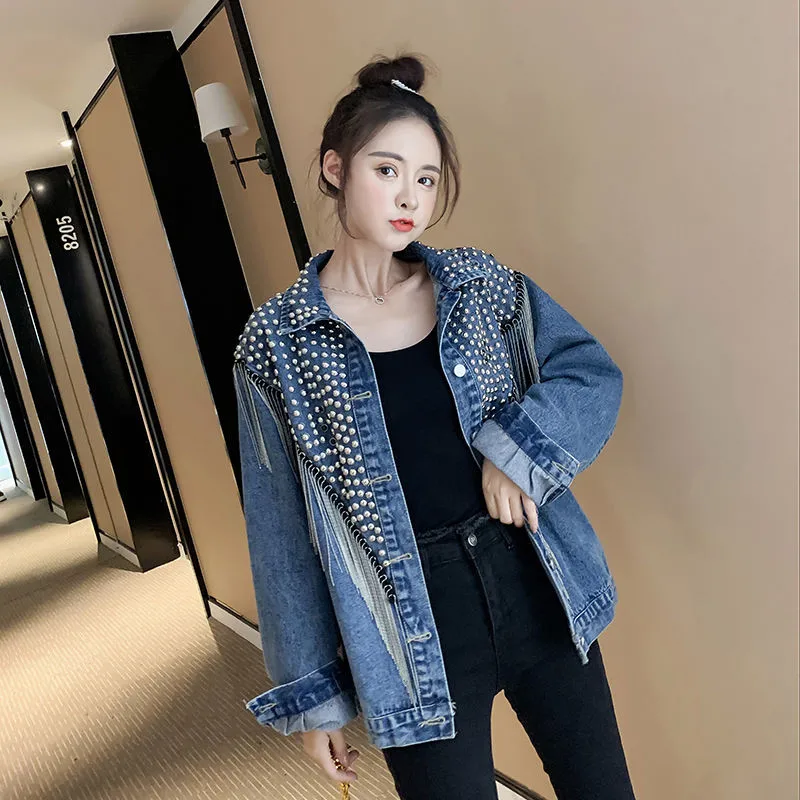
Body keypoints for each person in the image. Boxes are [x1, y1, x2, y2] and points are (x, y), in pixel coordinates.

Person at [233, 54, 635, 800]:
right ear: (334, 169)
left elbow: (589, 371)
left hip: (533, 578)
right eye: (386, 170)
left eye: (425, 178)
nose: (408, 198)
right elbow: (279, 527)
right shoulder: (278, 344)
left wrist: (518, 451)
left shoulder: (477, 285)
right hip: (407, 630)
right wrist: (315, 695)